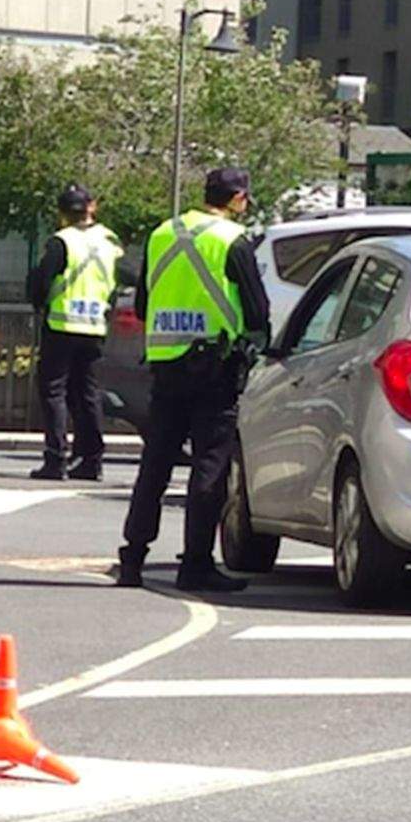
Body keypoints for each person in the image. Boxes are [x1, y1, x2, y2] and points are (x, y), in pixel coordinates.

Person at [116, 168, 271, 593]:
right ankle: (196, 564)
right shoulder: (231, 240)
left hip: (166, 365)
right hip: (214, 366)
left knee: (156, 465)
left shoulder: (162, 233)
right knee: (209, 467)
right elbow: (257, 311)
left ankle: (132, 559)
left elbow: (146, 303)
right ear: (238, 198)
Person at [27, 184, 124, 481]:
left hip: (61, 325)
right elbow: (118, 281)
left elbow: (41, 283)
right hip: (94, 326)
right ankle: (91, 460)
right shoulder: (110, 241)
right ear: (91, 207)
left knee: (54, 392)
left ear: (61, 213)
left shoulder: (61, 241)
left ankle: (56, 458)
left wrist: (39, 304)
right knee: (88, 394)